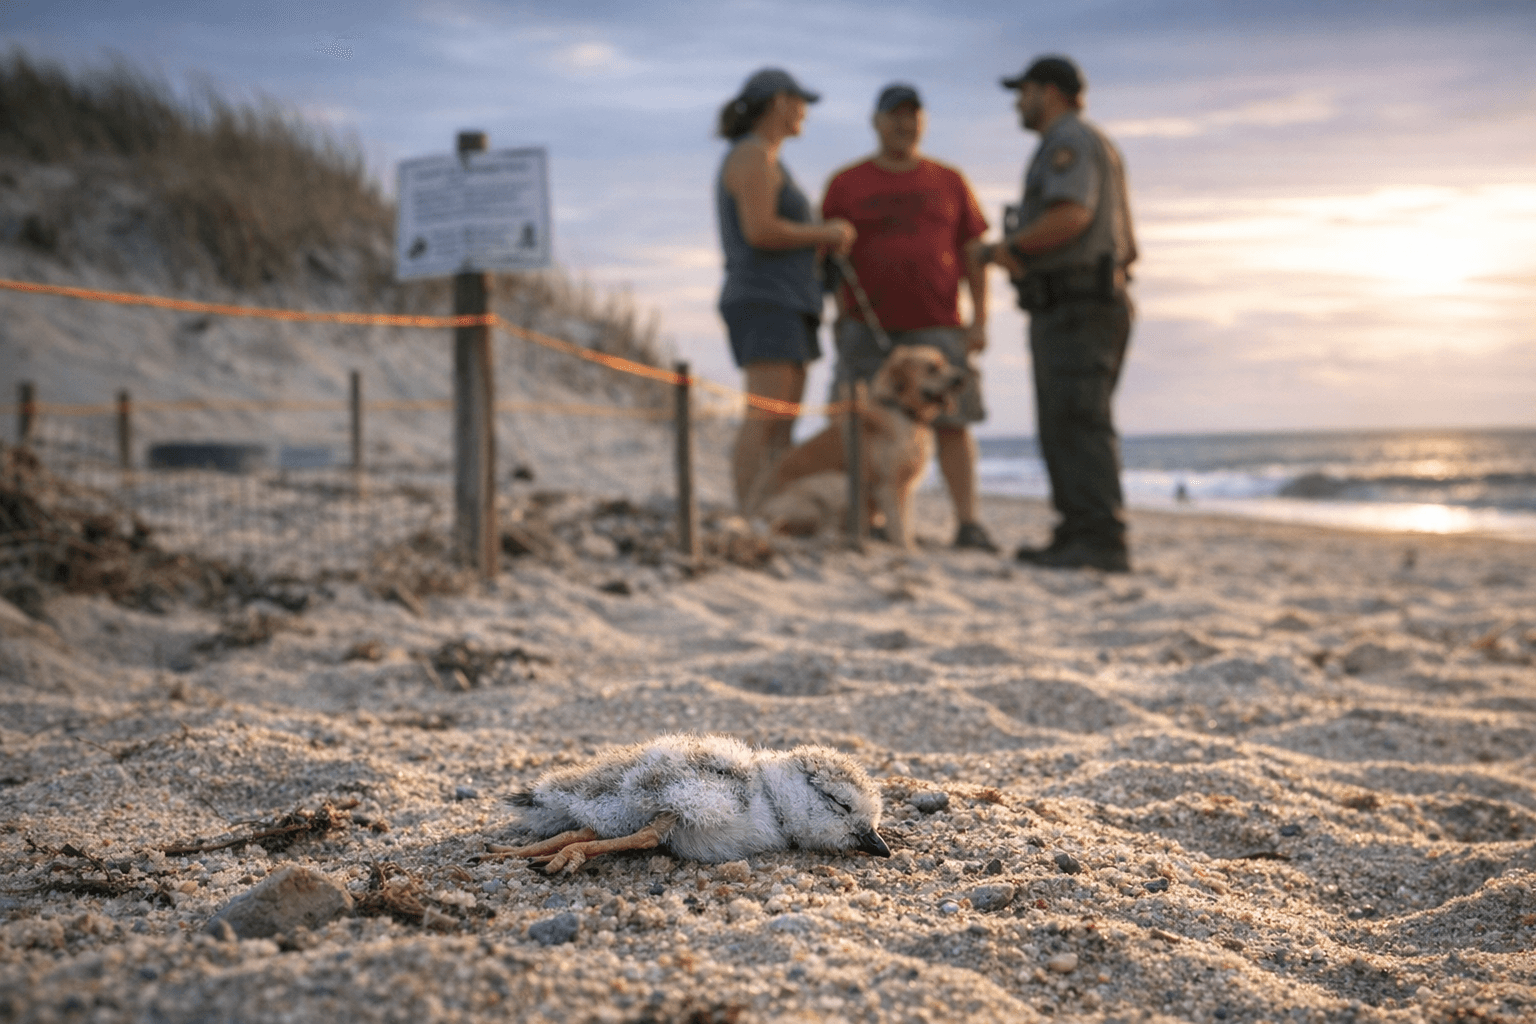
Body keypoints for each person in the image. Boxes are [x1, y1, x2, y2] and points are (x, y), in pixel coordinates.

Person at [820, 83, 996, 550]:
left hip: (937, 322)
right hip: (865, 323)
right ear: (876, 122)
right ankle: (861, 518)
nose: (904, 124)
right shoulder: (846, 183)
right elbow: (827, 252)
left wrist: (980, 319)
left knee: (954, 419)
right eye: (895, 115)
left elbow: (973, 252)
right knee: (854, 419)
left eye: (913, 115)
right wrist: (834, 313)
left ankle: (968, 522)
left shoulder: (949, 180)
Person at [980, 55, 1138, 572]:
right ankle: (1079, 530)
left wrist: (1013, 249)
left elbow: (1072, 213)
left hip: (1077, 304)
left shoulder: (1068, 143)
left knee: (1075, 420)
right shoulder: (1097, 144)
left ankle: (1097, 538)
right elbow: (1129, 245)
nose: (1017, 104)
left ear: (1048, 92)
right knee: (1069, 421)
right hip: (1085, 301)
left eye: (1022, 92)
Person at [715, 67, 856, 511]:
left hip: (790, 300)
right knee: (765, 416)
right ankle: (748, 510)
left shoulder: (770, 159)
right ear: (779, 102)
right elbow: (760, 231)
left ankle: (766, 505)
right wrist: (825, 234)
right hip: (765, 299)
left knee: (782, 420)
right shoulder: (751, 156)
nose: (805, 114)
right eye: (801, 103)